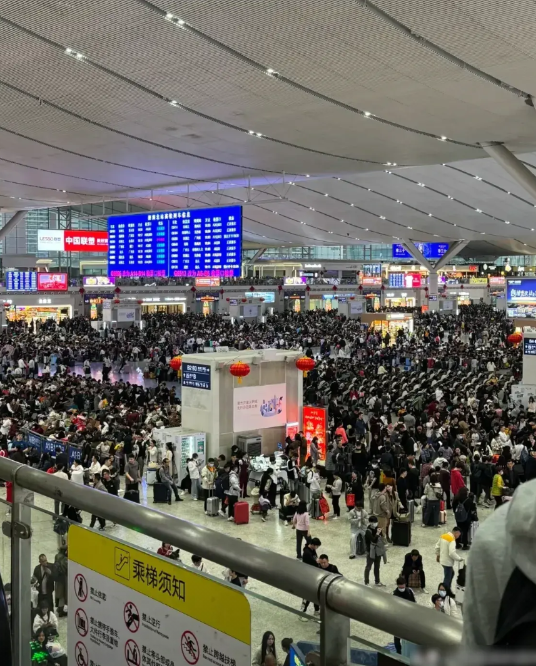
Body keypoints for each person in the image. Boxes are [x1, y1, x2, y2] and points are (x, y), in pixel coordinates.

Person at [392, 576, 416, 654]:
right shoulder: (395, 594)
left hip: (409, 617)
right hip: (398, 619)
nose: (402, 588)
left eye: (403, 586)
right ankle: (398, 651)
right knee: (397, 637)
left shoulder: (409, 591)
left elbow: (414, 603)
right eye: (400, 586)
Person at [300, 537, 321, 620]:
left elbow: (316, 558)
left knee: (315, 594)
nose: (317, 548)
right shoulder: (307, 553)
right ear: (313, 545)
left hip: (313, 575)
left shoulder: (312, 550)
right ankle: (302, 613)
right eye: (317, 546)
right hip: (308, 576)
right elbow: (313, 562)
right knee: (307, 596)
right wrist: (317, 562)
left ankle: (316, 610)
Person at [364, 516, 386, 587]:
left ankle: (377, 581)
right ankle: (366, 582)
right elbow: (374, 540)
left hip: (378, 551)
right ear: (370, 523)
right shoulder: (368, 531)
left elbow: (382, 538)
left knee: (377, 567)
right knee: (368, 567)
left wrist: (381, 534)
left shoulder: (377, 528)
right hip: (370, 551)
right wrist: (377, 534)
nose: (376, 524)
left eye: (376, 522)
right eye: (374, 523)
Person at [53, 546, 68, 617]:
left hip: (57, 578)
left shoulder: (56, 556)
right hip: (63, 579)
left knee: (58, 594)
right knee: (62, 595)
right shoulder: (65, 559)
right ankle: (61, 611)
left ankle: (59, 608)